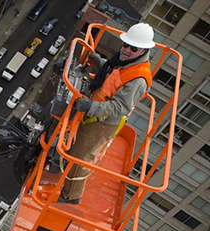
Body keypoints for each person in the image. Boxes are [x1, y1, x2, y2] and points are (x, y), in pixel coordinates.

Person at [59, 23, 155, 204]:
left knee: (80, 157)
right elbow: (113, 76)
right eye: (125, 44)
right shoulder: (124, 61)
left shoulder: (138, 80)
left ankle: (71, 196)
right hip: (97, 110)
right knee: (76, 147)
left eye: (133, 48)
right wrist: (100, 62)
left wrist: (89, 107)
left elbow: (120, 107)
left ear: (143, 51)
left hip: (103, 121)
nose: (126, 50)